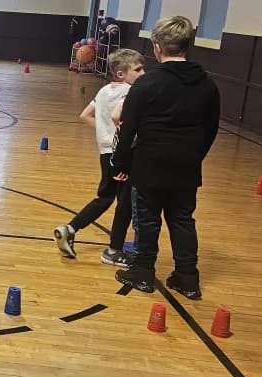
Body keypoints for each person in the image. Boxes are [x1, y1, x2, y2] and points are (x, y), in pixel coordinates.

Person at [110, 16, 220, 299]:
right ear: (189, 45)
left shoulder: (146, 85)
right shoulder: (207, 85)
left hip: (149, 164)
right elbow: (211, 129)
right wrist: (195, 156)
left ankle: (143, 271)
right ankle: (187, 277)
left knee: (146, 219)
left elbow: (128, 129)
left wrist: (120, 163)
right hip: (187, 164)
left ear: (157, 47)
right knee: (183, 219)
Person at [53, 48, 145, 265]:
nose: (143, 73)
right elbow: (118, 118)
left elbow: (85, 115)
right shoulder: (131, 93)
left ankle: (70, 228)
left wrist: (104, 133)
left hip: (106, 152)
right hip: (123, 153)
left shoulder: (104, 91)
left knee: (105, 197)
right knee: (124, 203)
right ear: (121, 74)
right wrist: (121, 136)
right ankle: (114, 251)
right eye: (138, 69)